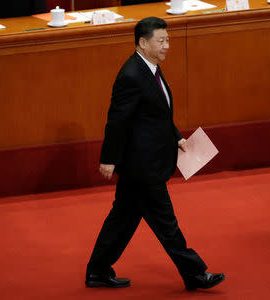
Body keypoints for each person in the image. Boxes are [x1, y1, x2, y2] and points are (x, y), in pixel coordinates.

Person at [85, 17, 225, 291]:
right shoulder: (131, 75)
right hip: (142, 166)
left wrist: (177, 138)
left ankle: (98, 270)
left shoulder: (150, 69)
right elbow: (117, 120)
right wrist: (108, 158)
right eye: (161, 41)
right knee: (166, 222)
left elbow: (155, 114)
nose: (167, 46)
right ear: (143, 42)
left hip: (147, 161)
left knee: (122, 219)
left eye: (168, 40)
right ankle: (195, 273)